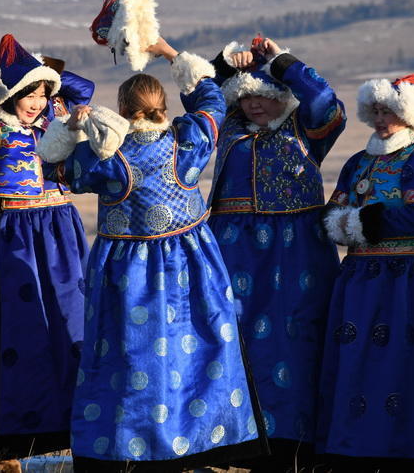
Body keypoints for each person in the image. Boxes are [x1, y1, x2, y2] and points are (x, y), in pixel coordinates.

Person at [38, 37, 266, 472]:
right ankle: (197, 443)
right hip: (193, 269)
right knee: (196, 354)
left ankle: (129, 449)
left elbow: (53, 169)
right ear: (163, 105)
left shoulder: (107, 159)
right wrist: (167, 51)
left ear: (123, 111)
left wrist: (71, 128)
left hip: (129, 278)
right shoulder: (191, 139)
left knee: (131, 359)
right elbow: (212, 97)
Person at [0, 34, 94, 466]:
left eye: (42, 92)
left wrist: (43, 70)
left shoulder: (55, 121)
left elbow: (84, 90)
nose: (36, 100)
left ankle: (76, 434)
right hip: (6, 237)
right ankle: (5, 447)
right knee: (12, 336)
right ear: (7, 93)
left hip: (61, 237)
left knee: (70, 331)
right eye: (27, 92)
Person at [206, 37, 345, 471]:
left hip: (296, 252)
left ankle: (295, 445)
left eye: (264, 95)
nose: (254, 104)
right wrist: (226, 64)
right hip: (234, 251)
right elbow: (203, 92)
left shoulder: (306, 128)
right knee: (233, 338)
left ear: (282, 96)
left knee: (296, 340)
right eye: (246, 96)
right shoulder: (228, 125)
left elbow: (326, 99)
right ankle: (232, 438)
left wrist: (282, 62)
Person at [316, 73, 414, 472]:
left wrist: (355, 223)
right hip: (363, 277)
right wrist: (349, 223)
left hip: (413, 278)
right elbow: (332, 212)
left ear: (413, 115)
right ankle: (354, 450)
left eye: (391, 112)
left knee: (411, 363)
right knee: (360, 361)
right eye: (377, 111)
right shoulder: (357, 162)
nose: (381, 120)